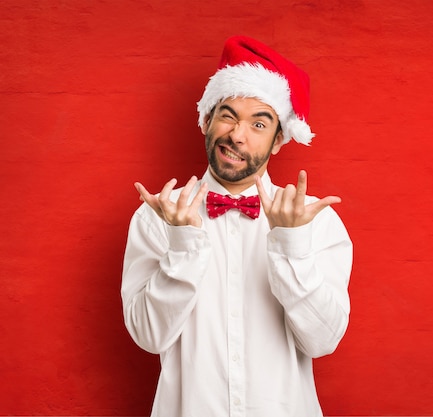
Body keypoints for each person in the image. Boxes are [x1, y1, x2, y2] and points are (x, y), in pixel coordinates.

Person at [121, 35, 352, 417]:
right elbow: (149, 336)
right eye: (228, 115)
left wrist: (291, 245)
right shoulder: (156, 216)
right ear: (207, 120)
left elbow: (322, 341)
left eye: (258, 123)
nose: (237, 135)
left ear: (279, 140)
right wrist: (182, 246)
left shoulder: (317, 220)